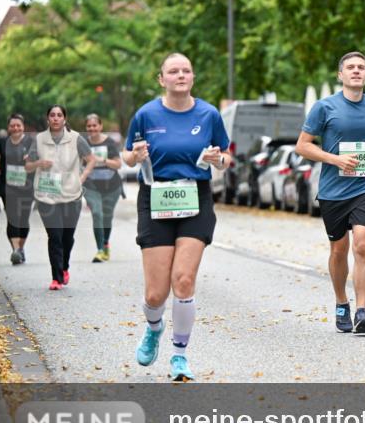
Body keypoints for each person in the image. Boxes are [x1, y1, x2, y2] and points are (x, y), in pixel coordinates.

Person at [123, 53, 230, 382]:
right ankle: (154, 329)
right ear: (162, 79)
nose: (180, 75)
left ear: (192, 78)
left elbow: (225, 158)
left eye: (186, 70)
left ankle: (180, 356)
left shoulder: (209, 114)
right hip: (155, 197)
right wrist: (135, 155)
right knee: (156, 293)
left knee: (183, 280)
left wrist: (217, 159)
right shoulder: (146, 114)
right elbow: (128, 158)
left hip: (195, 197)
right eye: (173, 71)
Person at [295, 51, 365, 335]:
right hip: (334, 190)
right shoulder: (324, 107)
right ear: (340, 75)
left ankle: (362, 310)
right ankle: (341, 302)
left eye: (361, 67)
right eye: (351, 67)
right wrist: (334, 160)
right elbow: (303, 146)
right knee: (339, 249)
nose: (356, 71)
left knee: (362, 244)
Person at [25, 106, 96, 290]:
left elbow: (91, 159)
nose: (55, 118)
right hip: (46, 196)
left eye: (59, 115)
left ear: (64, 119)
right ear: (47, 119)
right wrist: (39, 163)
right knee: (54, 236)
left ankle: (64, 267)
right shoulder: (39, 139)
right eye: (52, 115)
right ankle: (56, 278)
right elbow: (28, 166)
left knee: (67, 237)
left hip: (71, 195)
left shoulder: (76, 139)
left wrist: (82, 178)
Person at [0, 115, 35, 264]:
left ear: (23, 126)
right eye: (12, 126)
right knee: (12, 218)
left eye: (18, 125)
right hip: (8, 186)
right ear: (8, 127)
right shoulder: (1, 142)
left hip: (27, 187)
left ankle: (21, 248)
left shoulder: (31, 142)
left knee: (23, 219)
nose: (15, 128)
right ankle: (15, 250)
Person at [82, 114, 123, 262]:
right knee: (97, 214)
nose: (92, 128)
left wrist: (102, 160)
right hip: (91, 186)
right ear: (86, 128)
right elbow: (79, 163)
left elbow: (118, 164)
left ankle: (105, 244)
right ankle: (100, 249)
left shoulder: (110, 142)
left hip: (111, 186)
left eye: (94, 125)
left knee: (107, 217)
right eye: (89, 126)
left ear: (100, 126)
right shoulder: (84, 144)